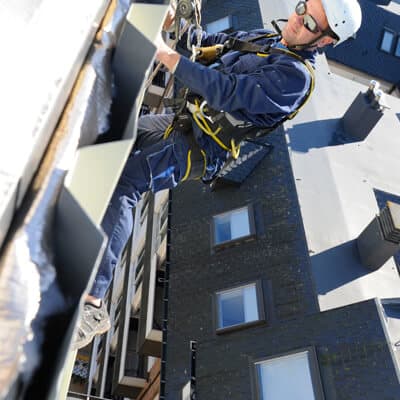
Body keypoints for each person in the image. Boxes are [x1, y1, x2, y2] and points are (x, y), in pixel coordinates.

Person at [72, 0, 362, 349]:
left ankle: (93, 304)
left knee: (127, 185)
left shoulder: (295, 78)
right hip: (181, 122)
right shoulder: (269, 38)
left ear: (325, 41)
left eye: (312, 24)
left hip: (195, 146)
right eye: (303, 7)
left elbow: (226, 93)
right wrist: (176, 26)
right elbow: (210, 43)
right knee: (115, 131)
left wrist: (165, 54)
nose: (299, 20)